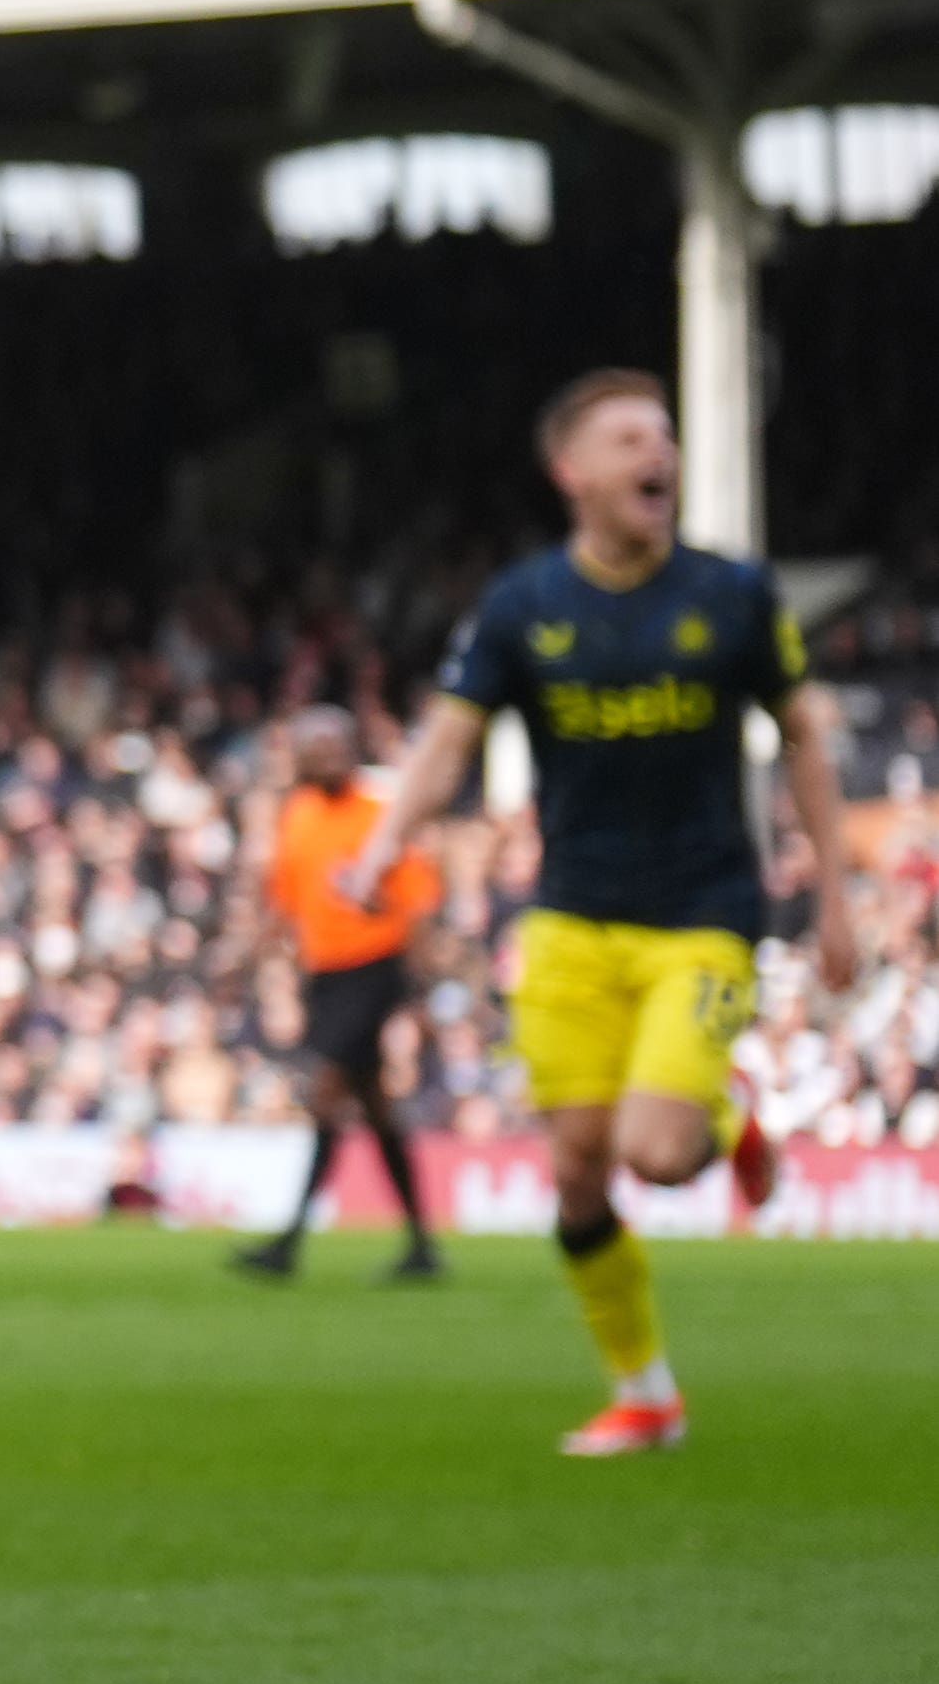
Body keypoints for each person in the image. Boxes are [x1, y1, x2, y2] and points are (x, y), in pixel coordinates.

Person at [342, 369, 858, 1454]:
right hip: (572, 918)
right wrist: (386, 841)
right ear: (571, 472)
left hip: (704, 914)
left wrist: (837, 896)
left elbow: (803, 735)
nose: (653, 452)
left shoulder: (731, 595)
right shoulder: (524, 606)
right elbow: (447, 739)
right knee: (576, 1168)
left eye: (662, 434)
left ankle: (721, 1117)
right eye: (628, 437)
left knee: (656, 1153)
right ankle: (645, 1393)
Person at [232, 706, 445, 1281]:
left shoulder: (381, 814)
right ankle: (422, 1246)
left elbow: (419, 903)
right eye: (313, 752)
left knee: (325, 1090)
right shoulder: (297, 815)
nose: (325, 760)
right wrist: (253, 956)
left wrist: (421, 992)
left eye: (334, 748)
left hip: (375, 967)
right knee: (375, 1107)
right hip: (324, 976)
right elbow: (287, 898)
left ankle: (289, 1241)